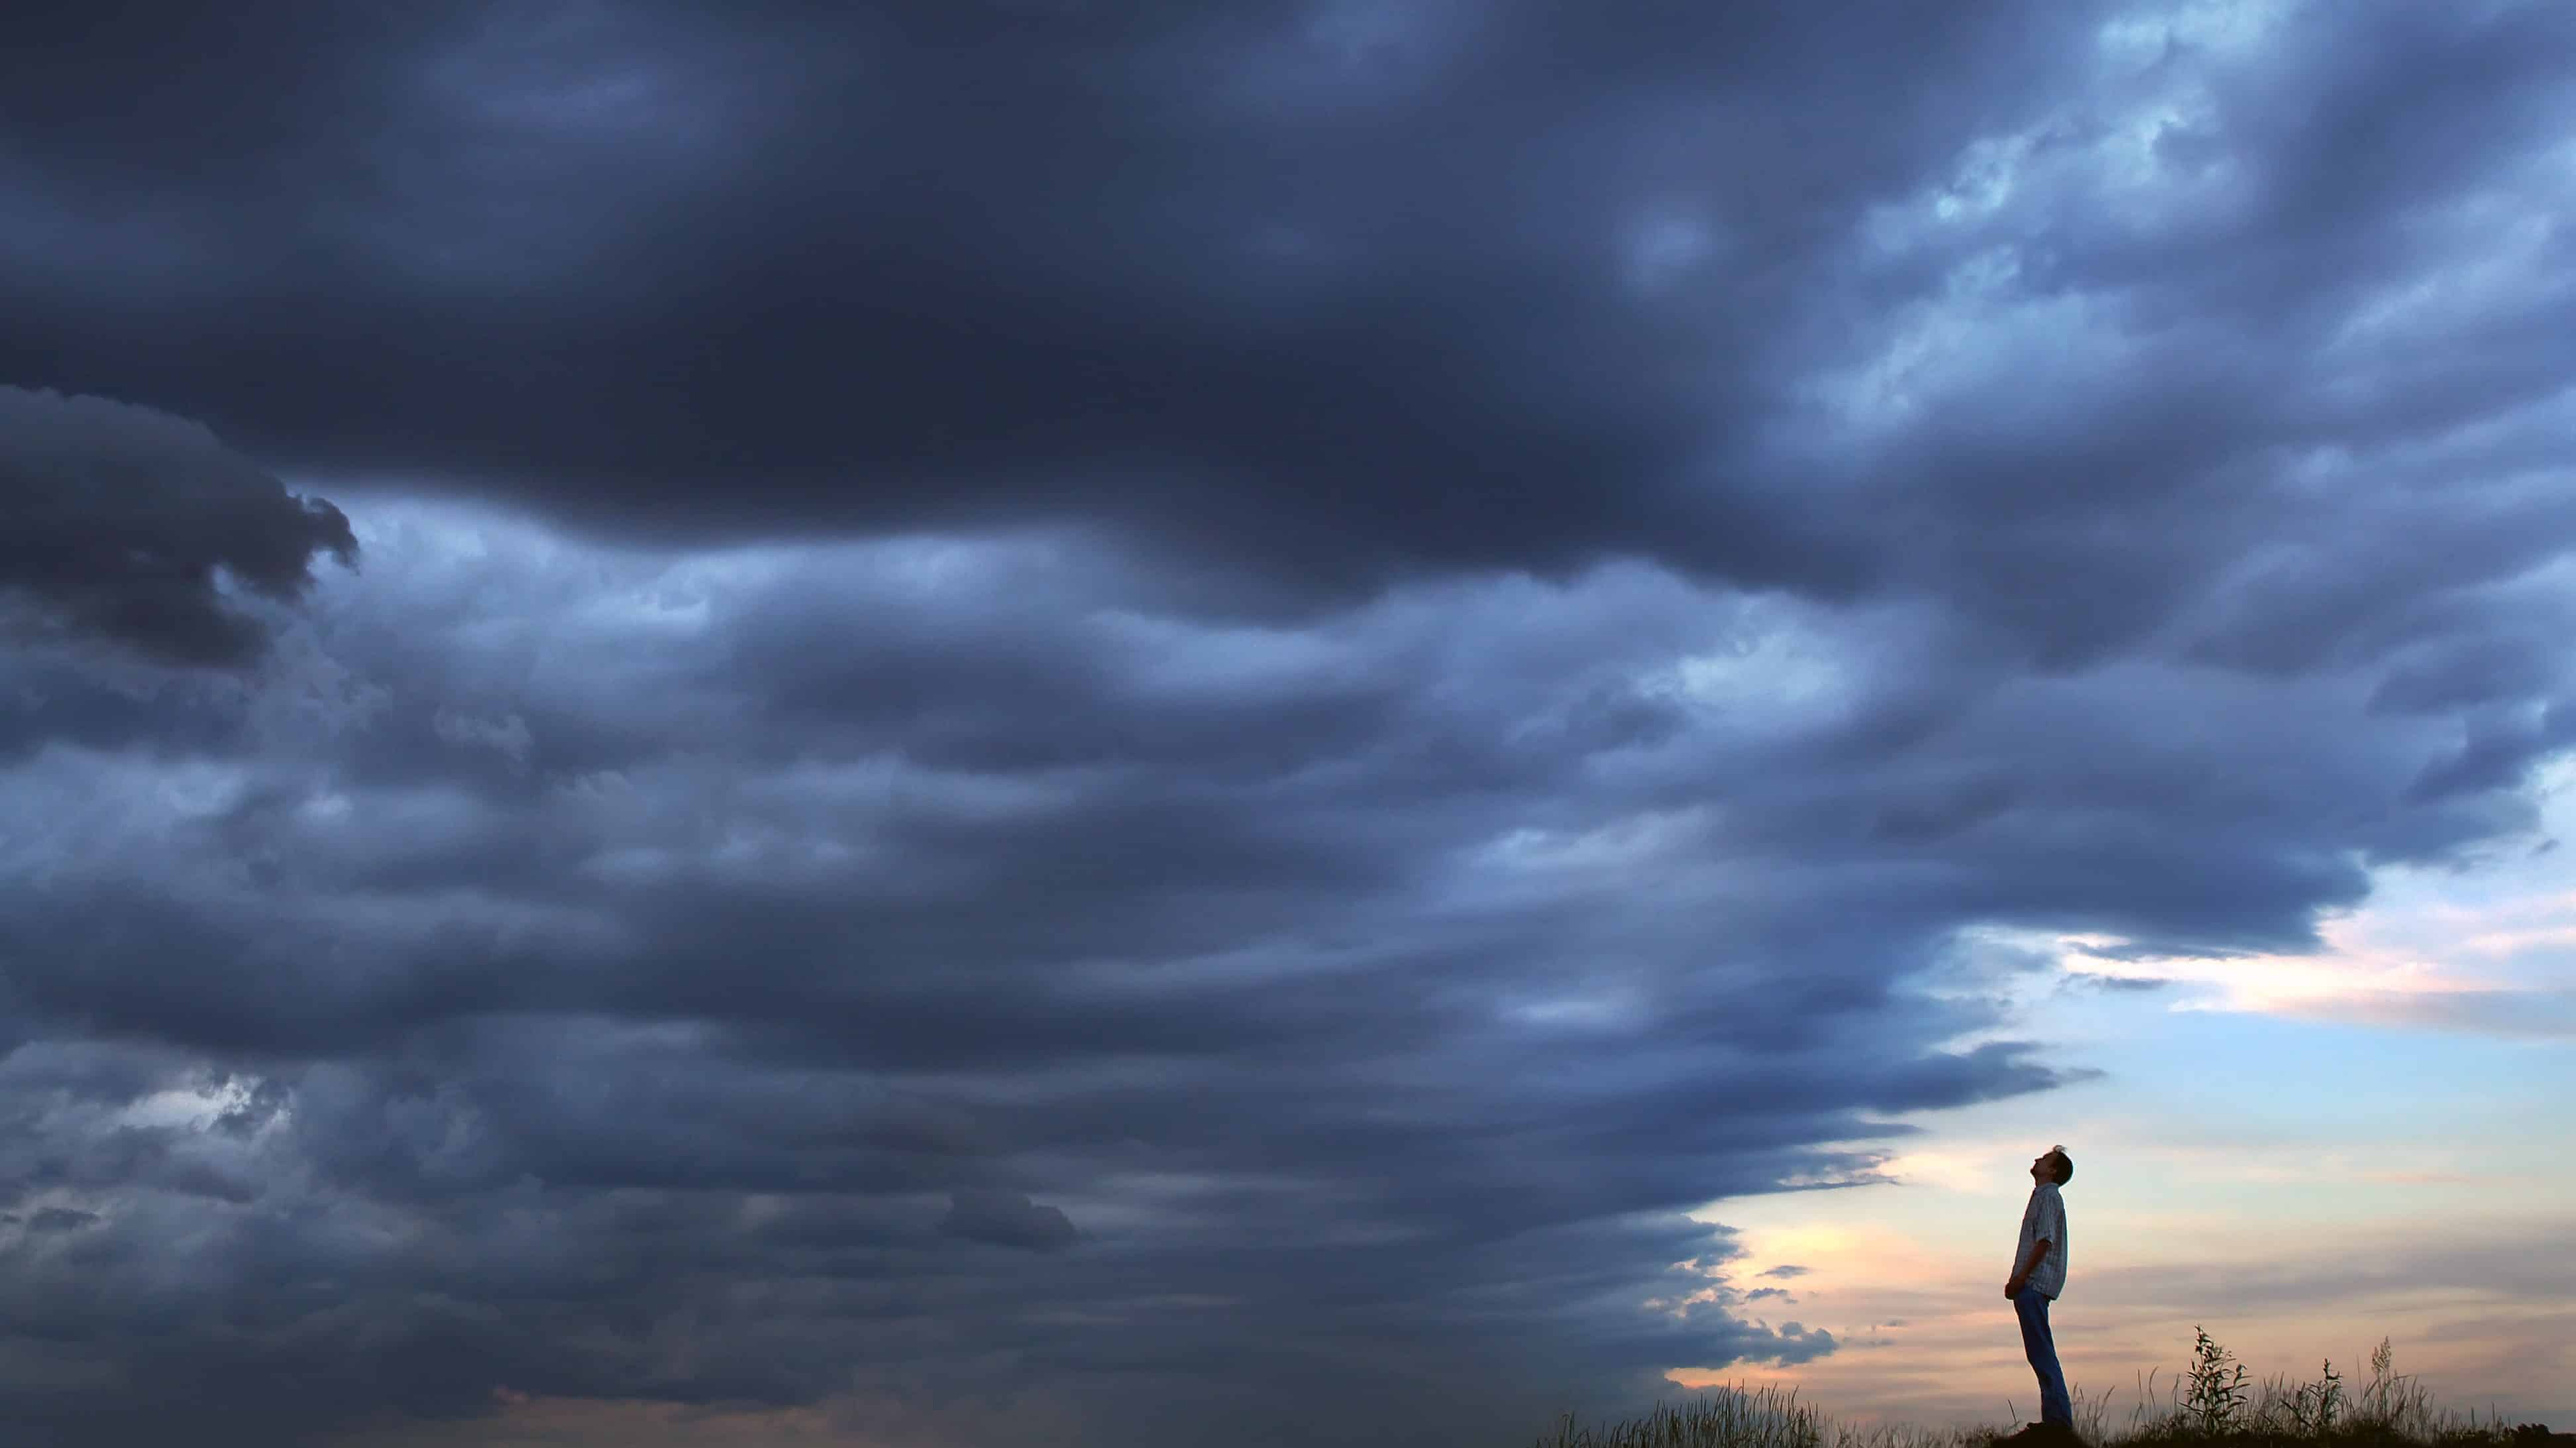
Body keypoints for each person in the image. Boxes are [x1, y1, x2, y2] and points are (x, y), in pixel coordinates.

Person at [2002, 1145, 2074, 1445]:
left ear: (2053, 1171)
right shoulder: (2044, 1197)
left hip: (2033, 1286)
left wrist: (2020, 1279)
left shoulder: (2048, 1196)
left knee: (2042, 1353)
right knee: (2040, 1353)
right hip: (2033, 1287)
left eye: (2045, 1159)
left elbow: (2044, 1241)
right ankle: (2055, 1420)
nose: (2037, 1160)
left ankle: (2058, 1422)